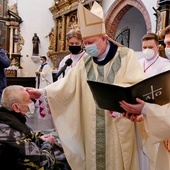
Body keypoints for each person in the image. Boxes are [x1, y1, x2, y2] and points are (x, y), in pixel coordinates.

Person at [26, 2, 155, 170]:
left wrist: (116, 99)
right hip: (90, 127)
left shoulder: (126, 56)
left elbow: (136, 85)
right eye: (85, 43)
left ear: (103, 38)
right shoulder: (84, 62)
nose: (87, 47)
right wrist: (43, 93)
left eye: (90, 42)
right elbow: (66, 86)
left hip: (118, 127)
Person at [120, 25, 170, 170]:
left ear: (156, 47)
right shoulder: (137, 64)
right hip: (146, 118)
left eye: (150, 47)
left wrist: (146, 110)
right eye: (167, 43)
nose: (147, 50)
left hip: (157, 122)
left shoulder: (165, 66)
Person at [0, 85, 56, 170]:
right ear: (16, 107)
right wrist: (48, 144)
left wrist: (39, 138)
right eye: (28, 100)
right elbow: (45, 164)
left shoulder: (7, 119)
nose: (32, 103)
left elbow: (25, 135)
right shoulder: (12, 134)